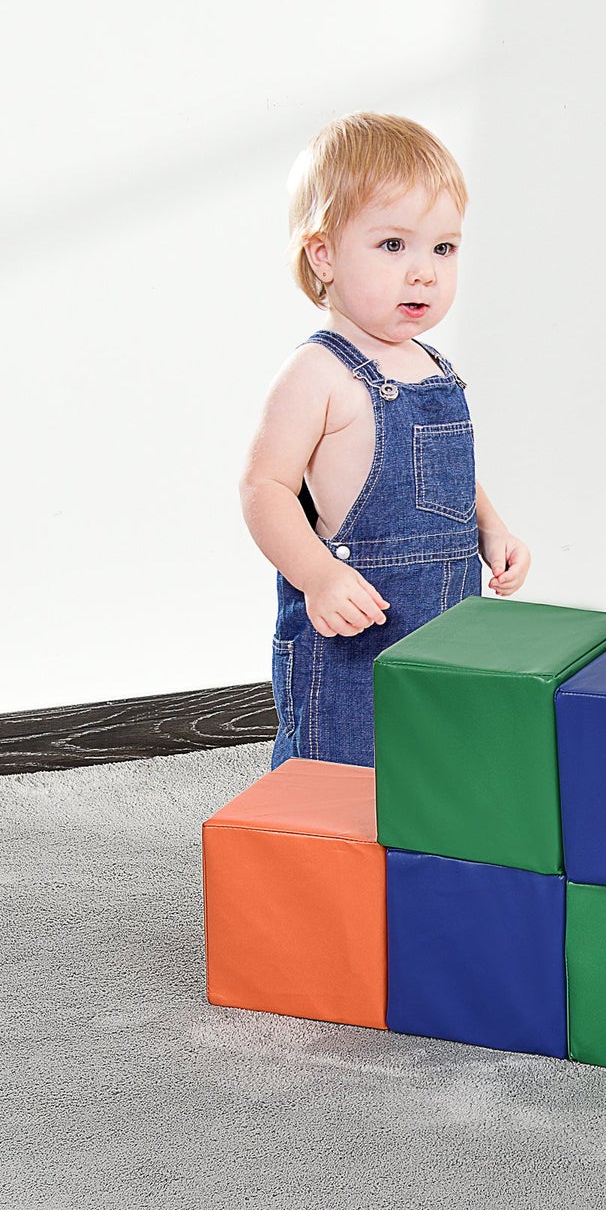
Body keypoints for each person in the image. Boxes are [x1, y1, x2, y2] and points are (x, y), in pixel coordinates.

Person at [239, 112, 530, 768]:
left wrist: (492, 529)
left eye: (443, 249)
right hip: (357, 632)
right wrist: (318, 576)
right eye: (393, 245)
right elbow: (264, 487)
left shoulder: (433, 367)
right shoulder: (318, 371)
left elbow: (448, 476)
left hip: (447, 623)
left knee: (439, 760)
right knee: (341, 771)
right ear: (324, 256)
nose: (424, 272)